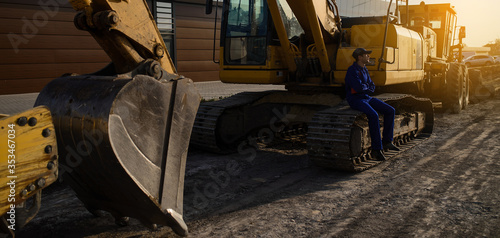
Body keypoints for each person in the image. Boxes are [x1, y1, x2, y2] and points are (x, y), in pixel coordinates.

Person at [344, 48, 400, 161]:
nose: (368, 57)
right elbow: (358, 87)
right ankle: (376, 149)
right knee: (373, 115)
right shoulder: (352, 70)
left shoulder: (364, 70)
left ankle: (387, 141)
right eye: (366, 55)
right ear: (360, 57)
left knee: (390, 110)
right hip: (355, 99)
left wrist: (365, 88)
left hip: (366, 97)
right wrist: (366, 87)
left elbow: (372, 87)